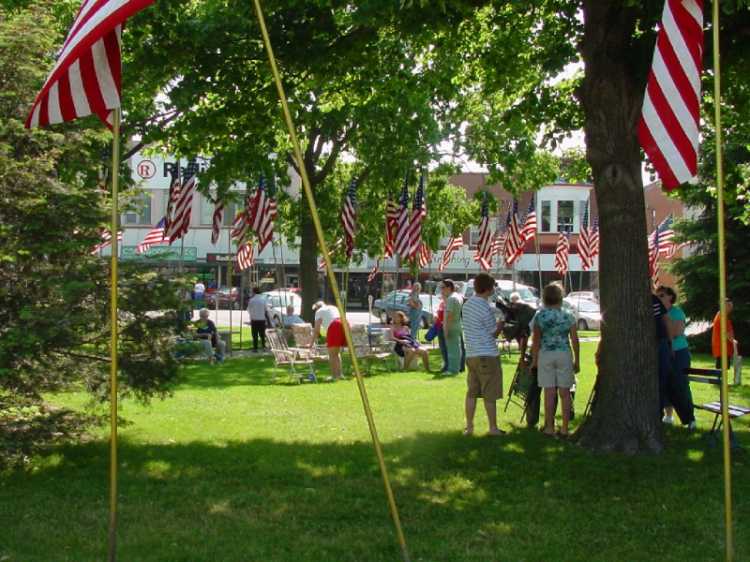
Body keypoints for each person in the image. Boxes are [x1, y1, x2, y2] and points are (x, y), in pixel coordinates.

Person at [531, 283, 580, 437]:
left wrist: (534, 360)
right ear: (561, 297)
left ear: (545, 298)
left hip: (546, 354)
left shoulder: (540, 316)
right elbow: (575, 340)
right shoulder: (569, 316)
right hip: (564, 354)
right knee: (565, 393)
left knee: (549, 393)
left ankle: (549, 427)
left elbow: (536, 341)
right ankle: (565, 428)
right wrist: (577, 360)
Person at [462, 273, 505, 436]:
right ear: (488, 288)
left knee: (471, 392)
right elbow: (493, 333)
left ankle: (470, 427)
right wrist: (501, 323)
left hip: (471, 354)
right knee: (489, 394)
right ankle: (493, 428)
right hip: (487, 354)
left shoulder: (467, 305)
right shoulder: (484, 307)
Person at [657, 286, 696, 430]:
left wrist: (666, 323)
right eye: (657, 295)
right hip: (665, 353)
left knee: (681, 383)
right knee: (665, 383)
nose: (658, 298)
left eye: (661, 295)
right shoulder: (658, 314)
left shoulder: (676, 312)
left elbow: (677, 331)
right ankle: (668, 416)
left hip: (679, 352)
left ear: (670, 297)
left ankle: (690, 418)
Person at [312, 300, 344, 381]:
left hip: (334, 326)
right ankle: (339, 374)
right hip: (343, 324)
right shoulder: (333, 307)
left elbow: (316, 330)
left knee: (331, 354)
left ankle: (334, 376)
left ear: (317, 308)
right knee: (336, 353)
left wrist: (311, 344)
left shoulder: (319, 311)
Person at [653, 290, 673, 416]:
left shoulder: (654, 300)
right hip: (653, 343)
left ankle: (661, 411)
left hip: (661, 341)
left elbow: (666, 320)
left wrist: (670, 343)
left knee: (663, 377)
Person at [497, 291, 536, 355]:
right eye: (512, 299)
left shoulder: (522, 305)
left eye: (514, 299)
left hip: (524, 328)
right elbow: (508, 311)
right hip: (517, 328)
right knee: (521, 342)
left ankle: (523, 355)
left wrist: (502, 302)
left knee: (522, 341)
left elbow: (511, 308)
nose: (513, 301)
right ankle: (523, 354)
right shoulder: (513, 306)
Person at [441, 279, 463, 375]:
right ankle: (456, 368)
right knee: (456, 348)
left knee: (452, 349)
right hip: (457, 324)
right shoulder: (457, 296)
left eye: (443, 287)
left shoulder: (451, 298)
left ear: (449, 287)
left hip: (451, 326)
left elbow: (449, 315)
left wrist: (446, 329)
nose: (441, 290)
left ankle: (452, 370)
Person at [712, 298, 737, 370]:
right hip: (722, 349)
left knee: (722, 372)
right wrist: (734, 341)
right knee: (722, 372)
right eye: (729, 305)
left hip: (723, 349)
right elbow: (726, 333)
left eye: (731, 306)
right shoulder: (722, 317)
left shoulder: (721, 315)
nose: (731, 308)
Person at [247, 287, 271, 352]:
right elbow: (266, 310)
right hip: (262, 319)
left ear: (254, 292)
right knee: (262, 334)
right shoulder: (263, 300)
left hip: (254, 319)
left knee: (254, 335)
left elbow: (248, 310)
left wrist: (253, 314)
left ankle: (255, 348)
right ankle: (263, 347)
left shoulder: (251, 300)